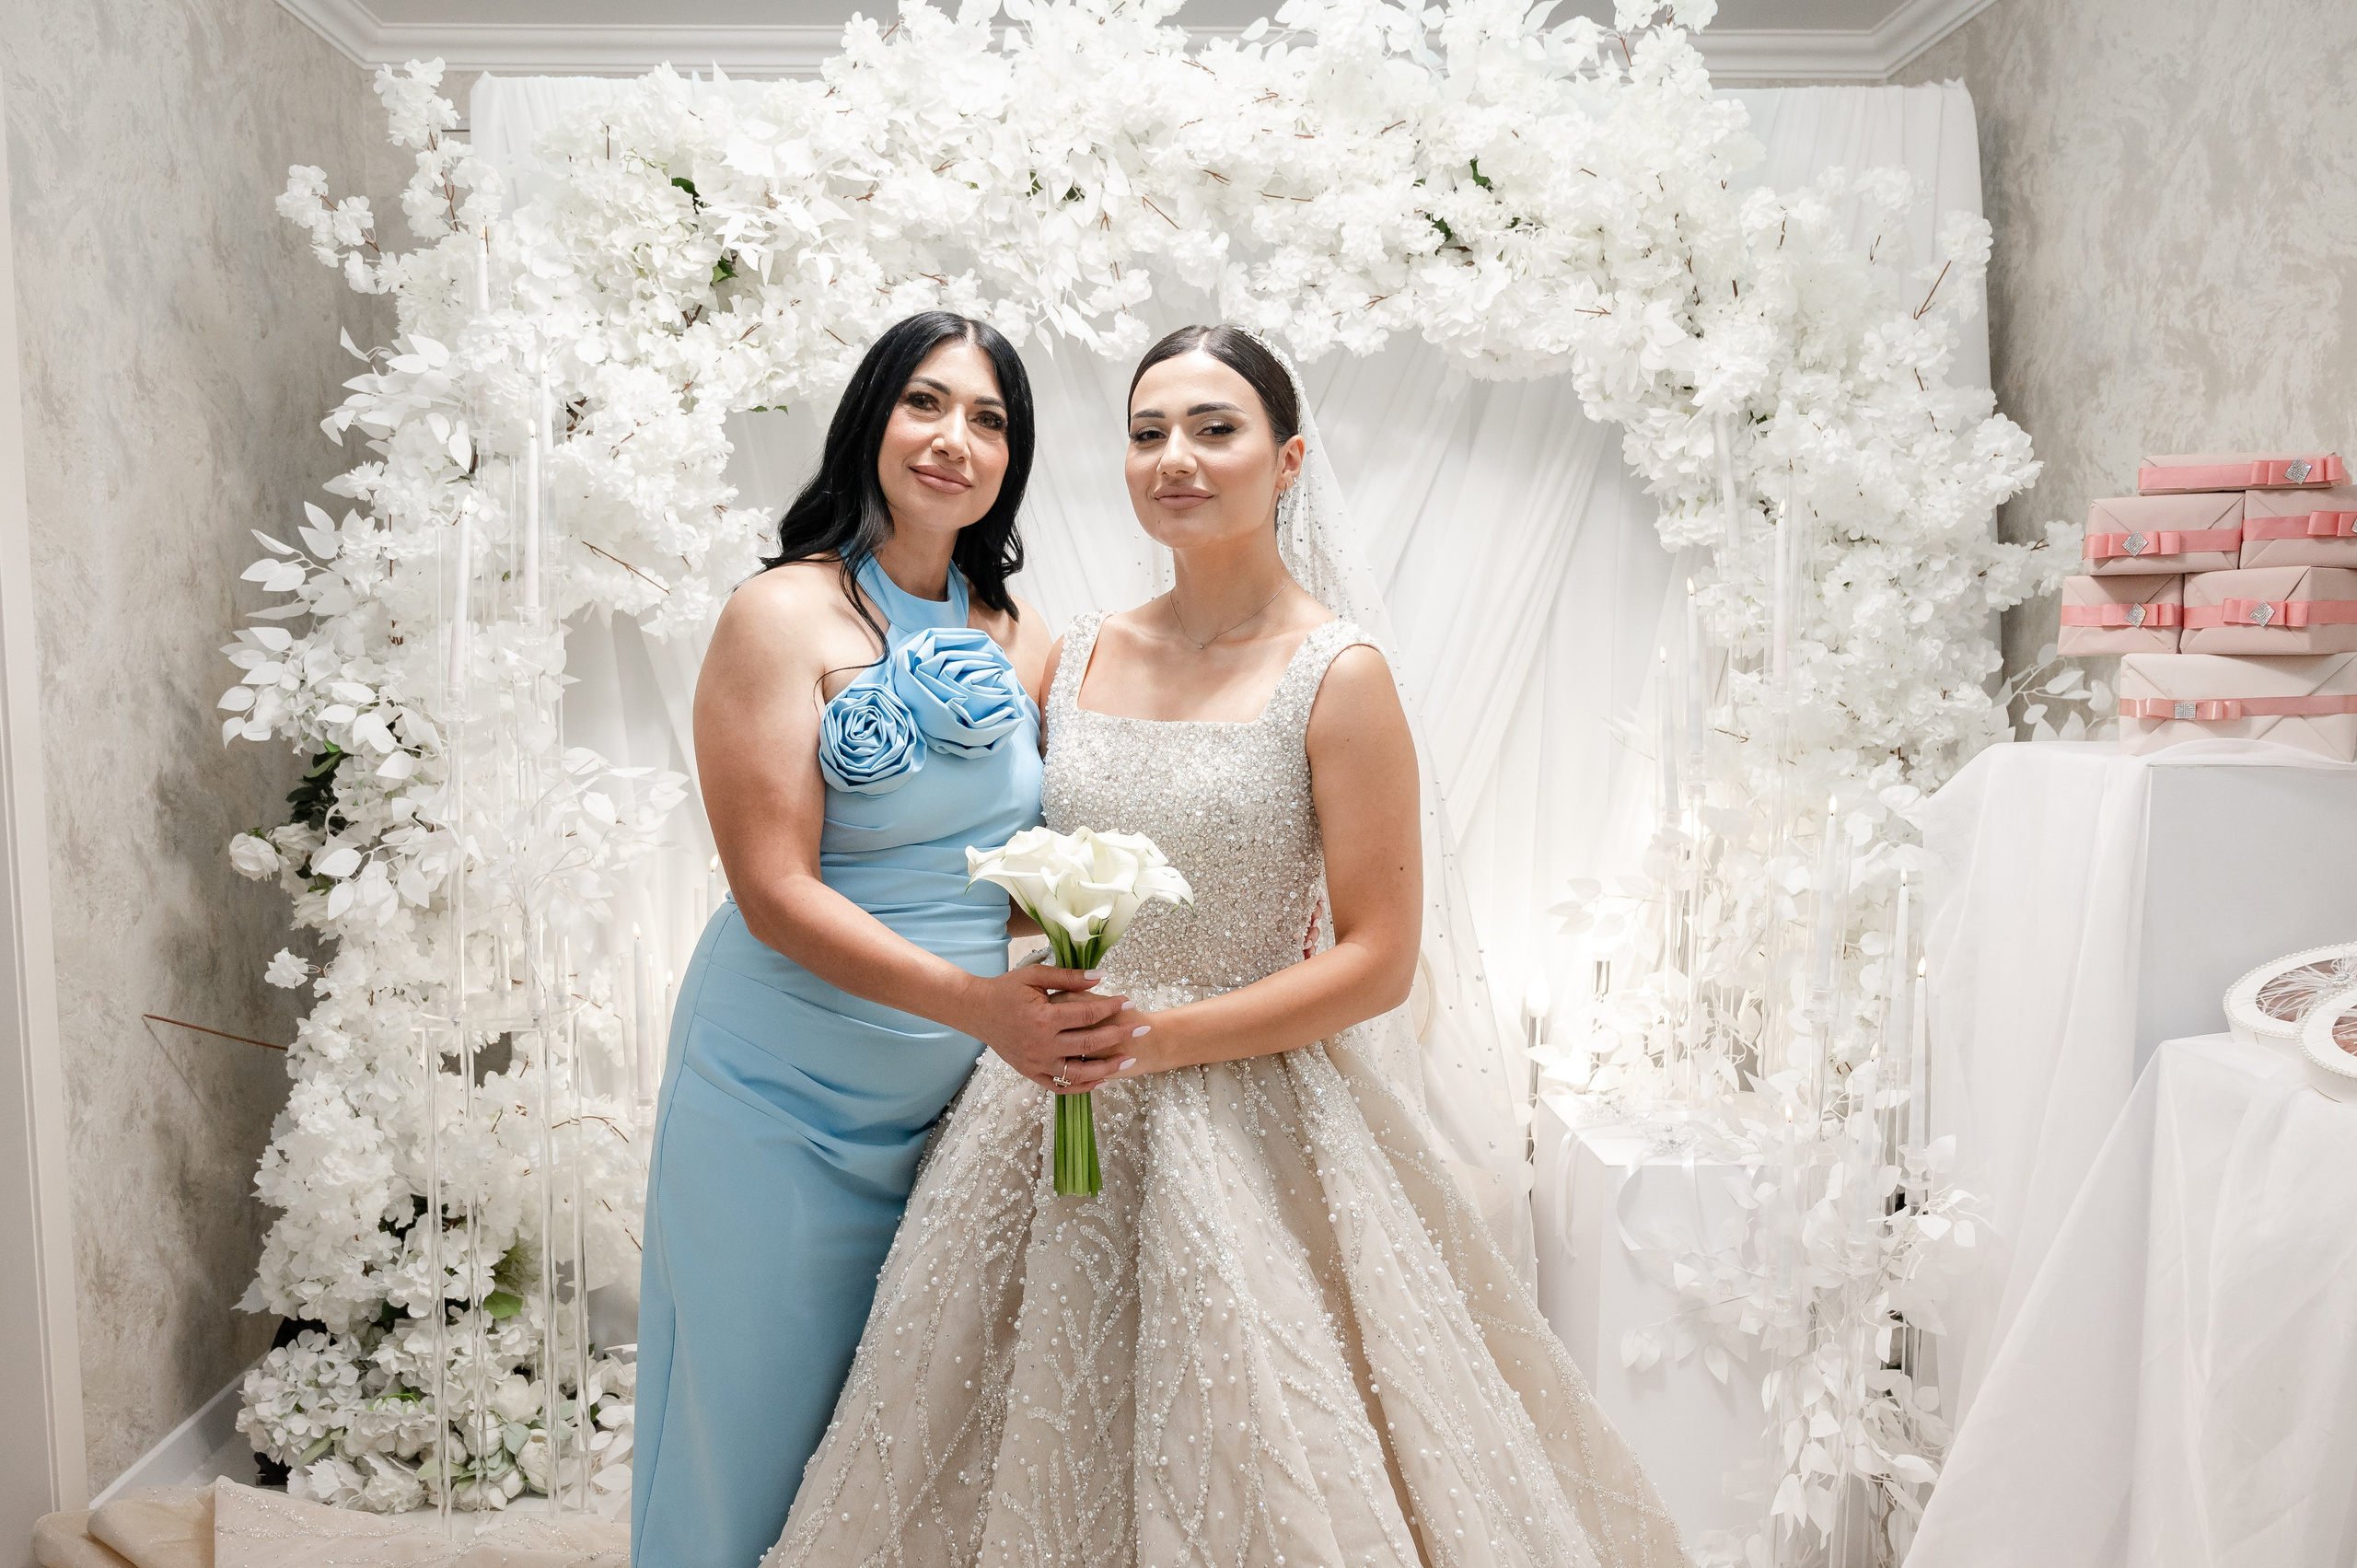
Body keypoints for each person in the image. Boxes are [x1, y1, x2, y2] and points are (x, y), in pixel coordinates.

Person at [763, 326, 1687, 1566]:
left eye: (1215, 430)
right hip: (1051, 1091)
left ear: (1288, 460)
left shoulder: (1340, 675)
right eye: (1148, 433)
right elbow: (1031, 865)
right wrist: (1022, 965)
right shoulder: (1077, 650)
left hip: (1250, 1104)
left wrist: (1159, 1037)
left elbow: (1379, 958)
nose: (1176, 459)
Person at [632, 311, 1144, 1568]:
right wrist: (982, 1008)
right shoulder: (778, 614)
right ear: (871, 418)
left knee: (896, 1452)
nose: (954, 438)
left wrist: (1126, 910)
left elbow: (996, 877)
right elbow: (774, 891)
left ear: (1011, 461)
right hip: (775, 1087)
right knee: (748, 1426)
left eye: (989, 419)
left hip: (944, 1107)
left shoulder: (1022, 640)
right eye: (925, 402)